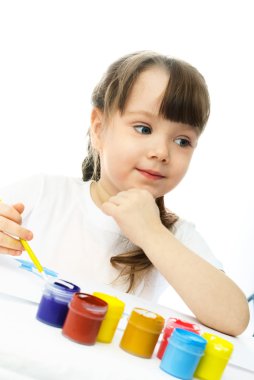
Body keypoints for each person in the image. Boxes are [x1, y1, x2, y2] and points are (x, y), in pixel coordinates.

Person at [0, 51, 249, 336]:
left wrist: (151, 233)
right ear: (99, 128)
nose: (161, 152)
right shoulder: (44, 193)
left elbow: (235, 318)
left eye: (183, 140)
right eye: (143, 128)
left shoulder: (174, 235)